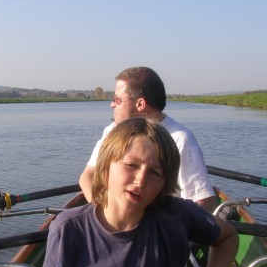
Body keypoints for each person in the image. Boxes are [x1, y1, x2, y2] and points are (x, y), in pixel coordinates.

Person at [38, 117, 238, 267]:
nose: (141, 180)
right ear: (105, 167)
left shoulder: (178, 213)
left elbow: (228, 236)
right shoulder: (67, 228)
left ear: (164, 184)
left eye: (154, 172)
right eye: (131, 165)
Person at [79, 66, 217, 212]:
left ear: (140, 104)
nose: (112, 104)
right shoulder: (112, 130)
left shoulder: (180, 139)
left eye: (117, 100)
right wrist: (103, 214)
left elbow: (204, 203)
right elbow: (88, 176)